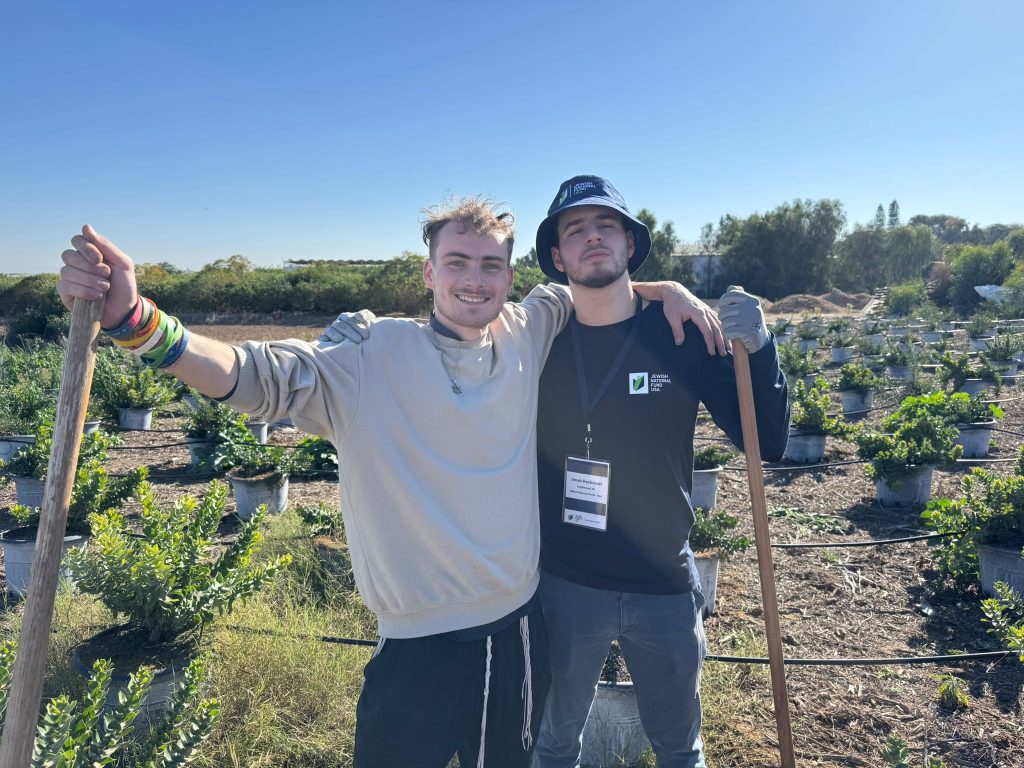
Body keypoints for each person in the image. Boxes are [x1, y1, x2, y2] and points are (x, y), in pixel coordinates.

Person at [56, 199, 720, 768]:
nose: (474, 279)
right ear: (429, 271)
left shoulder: (530, 324)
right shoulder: (369, 359)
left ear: (510, 277)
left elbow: (599, 277)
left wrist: (672, 292)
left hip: (517, 634)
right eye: (456, 262)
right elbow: (255, 376)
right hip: (413, 645)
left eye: (490, 265)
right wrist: (136, 321)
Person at [530, 176, 790, 768]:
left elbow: (766, 441)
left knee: (680, 751)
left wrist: (763, 346)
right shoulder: (537, 338)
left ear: (630, 244)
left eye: (607, 227)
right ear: (556, 256)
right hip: (565, 586)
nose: (592, 238)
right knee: (551, 746)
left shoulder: (684, 333)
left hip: (665, 588)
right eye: (575, 230)